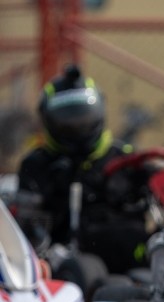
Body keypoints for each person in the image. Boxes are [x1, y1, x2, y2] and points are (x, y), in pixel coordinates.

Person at [14, 64, 150, 274]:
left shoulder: (128, 159)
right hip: (59, 271)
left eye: (82, 117)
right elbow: (27, 230)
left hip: (131, 270)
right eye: (68, 120)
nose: (77, 126)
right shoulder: (36, 164)